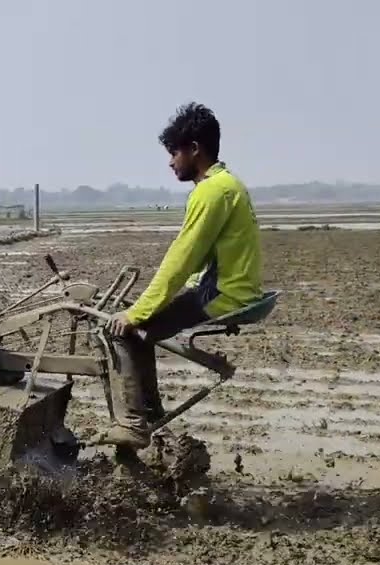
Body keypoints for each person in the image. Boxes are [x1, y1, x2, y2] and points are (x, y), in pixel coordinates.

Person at [99, 102, 263, 448]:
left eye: (174, 152)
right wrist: (147, 308)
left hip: (222, 295)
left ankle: (133, 423)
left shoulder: (212, 191)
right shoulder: (227, 184)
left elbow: (182, 258)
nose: (171, 162)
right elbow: (202, 258)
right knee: (140, 327)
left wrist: (136, 313)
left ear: (195, 149)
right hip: (228, 289)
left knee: (118, 331)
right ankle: (150, 415)